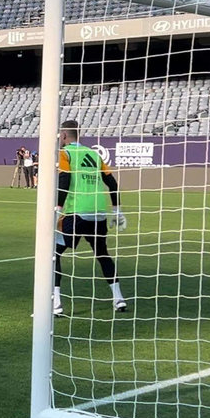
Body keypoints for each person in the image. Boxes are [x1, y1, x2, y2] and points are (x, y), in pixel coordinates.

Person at [53, 119, 127, 316]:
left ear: (64, 136)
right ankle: (119, 299)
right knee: (103, 254)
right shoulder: (94, 154)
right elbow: (112, 182)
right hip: (98, 213)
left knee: (54, 255)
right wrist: (117, 209)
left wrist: (57, 208)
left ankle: (56, 304)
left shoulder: (65, 153)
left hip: (75, 213)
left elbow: (65, 179)